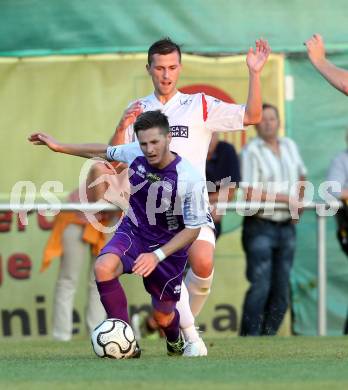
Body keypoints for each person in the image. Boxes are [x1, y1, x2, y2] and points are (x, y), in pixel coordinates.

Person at [113, 37, 270, 355]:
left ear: (180, 68)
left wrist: (254, 73)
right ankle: (190, 337)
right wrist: (121, 126)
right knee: (182, 272)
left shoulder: (198, 105)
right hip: (153, 214)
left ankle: (178, 323)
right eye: (159, 68)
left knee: (202, 261)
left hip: (192, 206)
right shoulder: (139, 111)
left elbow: (252, 116)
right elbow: (116, 158)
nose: (166, 75)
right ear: (149, 69)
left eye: (172, 67)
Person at [28, 110, 208, 357]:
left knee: (163, 316)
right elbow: (103, 151)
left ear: (168, 139)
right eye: (144, 143)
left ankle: (175, 339)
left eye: (155, 142)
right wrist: (59, 147)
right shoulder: (136, 153)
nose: (149, 149)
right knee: (103, 267)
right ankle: (126, 342)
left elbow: (192, 230)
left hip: (168, 249)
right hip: (134, 232)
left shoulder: (189, 178)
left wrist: (157, 256)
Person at [239, 103, 307, 336]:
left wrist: (298, 202)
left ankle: (267, 340)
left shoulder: (289, 145)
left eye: (272, 118)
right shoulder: (250, 151)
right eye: (263, 119)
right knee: (261, 285)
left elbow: (302, 174)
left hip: (286, 226)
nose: (268, 123)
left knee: (281, 290)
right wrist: (286, 198)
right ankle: (249, 339)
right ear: (256, 124)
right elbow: (248, 191)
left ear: (279, 122)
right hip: (260, 225)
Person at [206, 133, 241, 239]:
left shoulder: (227, 150)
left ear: (217, 134)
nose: (209, 139)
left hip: (212, 217)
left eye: (212, 134)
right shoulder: (188, 152)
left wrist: (205, 203)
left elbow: (229, 193)